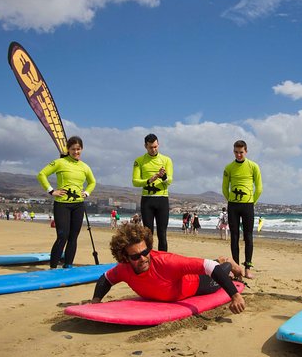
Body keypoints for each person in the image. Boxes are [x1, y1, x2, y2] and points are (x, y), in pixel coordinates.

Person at [89, 223, 246, 314]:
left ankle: (228, 262)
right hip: (182, 277)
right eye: (136, 256)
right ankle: (220, 260)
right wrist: (96, 301)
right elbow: (106, 278)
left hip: (199, 284)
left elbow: (210, 268)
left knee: (220, 269)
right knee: (207, 265)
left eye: (145, 252)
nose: (142, 258)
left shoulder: (166, 262)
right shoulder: (123, 269)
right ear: (125, 258)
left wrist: (235, 296)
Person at [37, 136, 96, 269]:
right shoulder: (60, 162)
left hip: (78, 205)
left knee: (73, 237)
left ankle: (68, 265)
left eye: (78, 149)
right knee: (62, 236)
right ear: (68, 149)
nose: (76, 152)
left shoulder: (85, 167)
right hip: (62, 204)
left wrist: (86, 193)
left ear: (82, 149)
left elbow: (92, 182)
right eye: (73, 149)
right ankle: (53, 267)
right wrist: (51, 191)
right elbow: (41, 174)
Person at [222, 140, 262, 279]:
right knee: (234, 237)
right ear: (233, 151)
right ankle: (236, 269)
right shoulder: (229, 167)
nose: (238, 155)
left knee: (248, 237)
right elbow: (224, 187)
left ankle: (248, 268)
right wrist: (231, 200)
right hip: (233, 205)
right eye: (236, 152)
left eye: (241, 152)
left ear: (246, 151)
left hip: (248, 205)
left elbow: (259, 187)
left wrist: (252, 201)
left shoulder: (253, 166)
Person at [132, 133, 174, 251]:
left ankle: (162, 262)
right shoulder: (139, 161)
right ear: (145, 146)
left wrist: (163, 176)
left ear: (158, 144)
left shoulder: (166, 160)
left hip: (162, 199)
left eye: (156, 146)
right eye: (151, 147)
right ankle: (148, 260)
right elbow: (135, 182)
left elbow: (169, 181)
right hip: (147, 200)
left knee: (162, 234)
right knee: (147, 235)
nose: (154, 149)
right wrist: (149, 180)